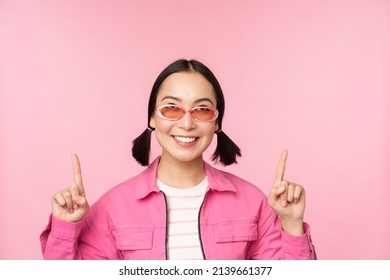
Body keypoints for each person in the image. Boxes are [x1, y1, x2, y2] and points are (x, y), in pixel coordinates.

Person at [40, 59, 316, 260]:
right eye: (171, 108)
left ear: (216, 122)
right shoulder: (112, 208)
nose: (186, 123)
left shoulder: (253, 202)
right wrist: (65, 228)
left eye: (202, 110)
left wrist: (292, 224)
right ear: (152, 117)